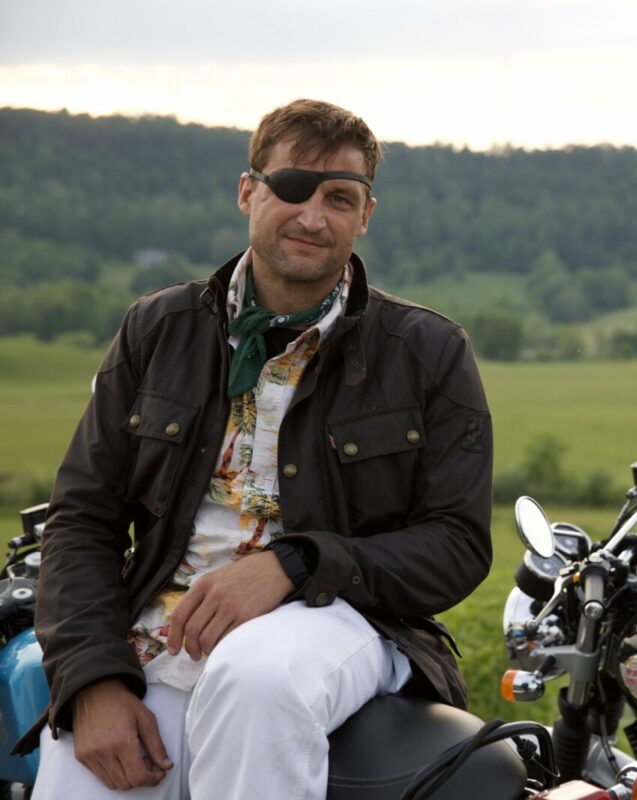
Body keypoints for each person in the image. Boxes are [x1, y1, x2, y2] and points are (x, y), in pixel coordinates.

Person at [24, 99, 493, 798]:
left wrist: (298, 562)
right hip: (160, 631)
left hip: (341, 618)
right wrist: (90, 680)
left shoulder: (426, 350)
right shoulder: (158, 328)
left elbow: (457, 543)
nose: (312, 216)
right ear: (249, 191)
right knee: (82, 770)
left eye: (340, 197)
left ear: (365, 215)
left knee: (259, 679)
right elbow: (82, 517)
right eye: (292, 188)